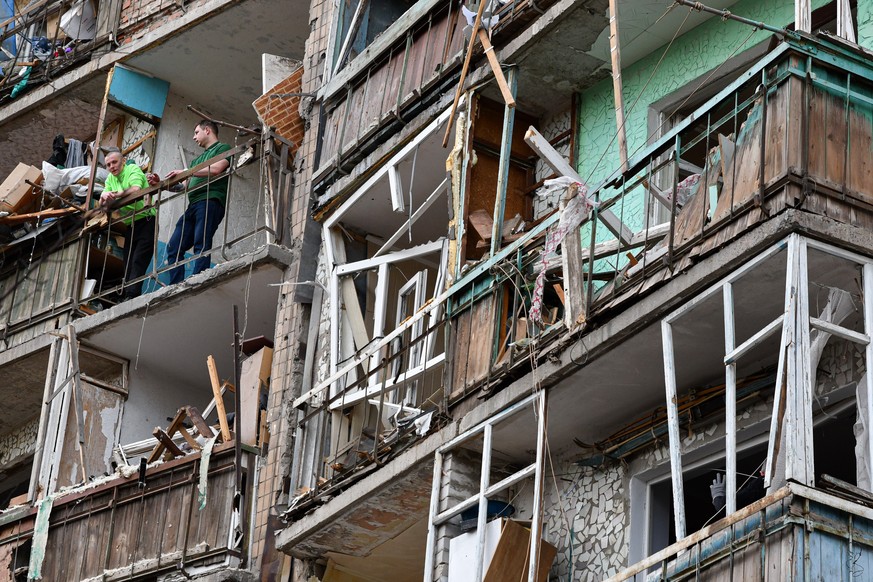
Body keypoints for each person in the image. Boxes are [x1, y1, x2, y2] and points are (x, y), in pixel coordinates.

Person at [147, 119, 231, 284]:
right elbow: (182, 187)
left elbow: (216, 169)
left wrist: (187, 171)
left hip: (210, 200)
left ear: (207, 130)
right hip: (193, 205)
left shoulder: (223, 148)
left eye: (196, 132)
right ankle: (176, 285)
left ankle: (199, 278)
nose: (194, 137)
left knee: (201, 240)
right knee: (173, 247)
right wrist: (161, 185)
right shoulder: (196, 162)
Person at [100, 147, 155, 299]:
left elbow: (135, 189)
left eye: (114, 162)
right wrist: (104, 195)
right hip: (131, 224)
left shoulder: (132, 169)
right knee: (128, 261)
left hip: (147, 219)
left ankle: (132, 295)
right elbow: (103, 204)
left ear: (123, 161)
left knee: (138, 259)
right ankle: (127, 295)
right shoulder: (110, 179)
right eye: (108, 164)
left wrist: (115, 196)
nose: (112, 166)